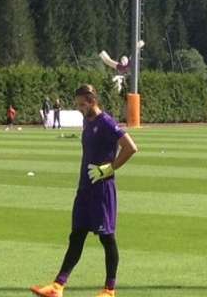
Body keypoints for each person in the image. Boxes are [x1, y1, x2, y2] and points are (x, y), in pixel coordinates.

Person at [30, 84, 138, 297]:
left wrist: (109, 168)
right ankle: (57, 286)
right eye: (77, 104)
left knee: (107, 238)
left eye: (82, 104)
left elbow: (131, 147)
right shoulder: (86, 121)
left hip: (102, 190)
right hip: (85, 189)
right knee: (76, 235)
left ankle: (109, 290)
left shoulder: (106, 122)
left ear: (92, 101)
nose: (79, 108)